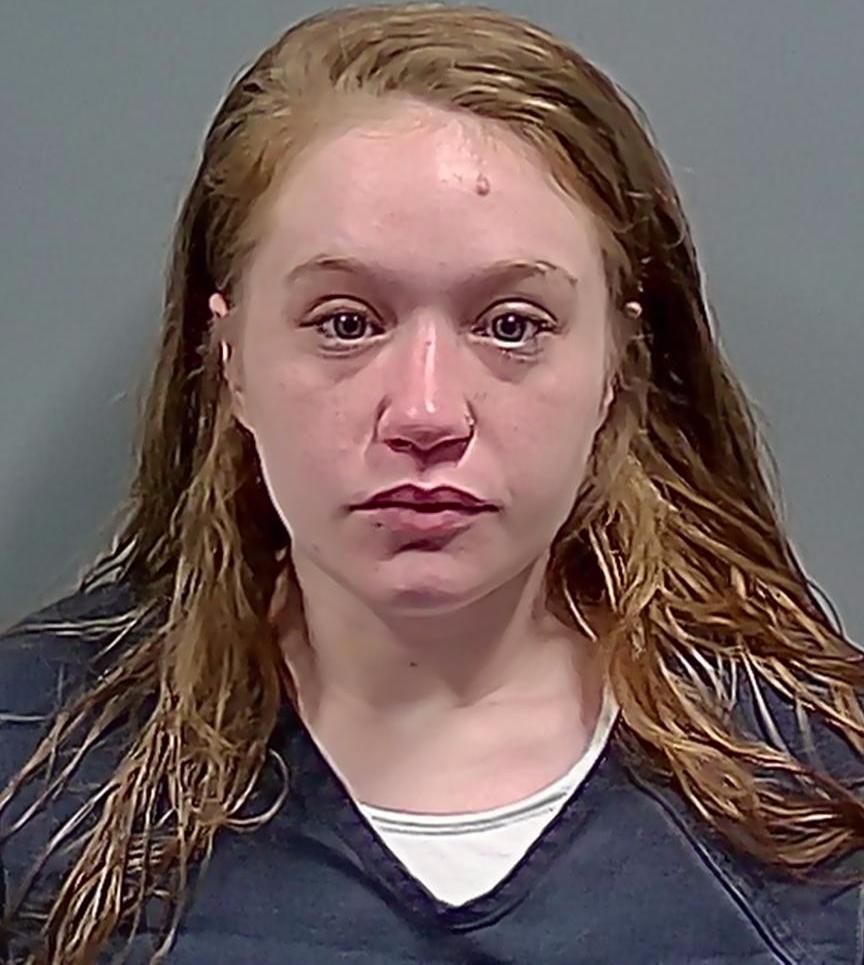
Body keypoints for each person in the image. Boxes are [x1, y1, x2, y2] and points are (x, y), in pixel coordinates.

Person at [1, 2, 863, 961]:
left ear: (616, 366)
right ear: (230, 356)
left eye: (512, 325)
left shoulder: (825, 796)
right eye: (345, 322)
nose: (424, 412)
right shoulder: (28, 771)